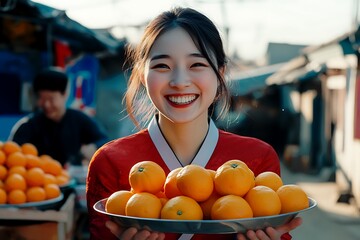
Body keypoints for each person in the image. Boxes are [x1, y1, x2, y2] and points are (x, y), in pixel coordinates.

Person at [86, 7, 302, 240]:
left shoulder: (257, 158)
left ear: (220, 74)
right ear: (141, 76)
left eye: (197, 65)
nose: (180, 82)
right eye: (162, 66)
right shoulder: (110, 161)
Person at [8, 67, 109, 167]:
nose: (46, 105)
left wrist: (94, 147)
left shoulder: (78, 119)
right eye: (41, 98)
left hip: (70, 178)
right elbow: (11, 154)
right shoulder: (28, 125)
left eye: (51, 99)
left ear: (65, 95)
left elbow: (105, 142)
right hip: (36, 179)